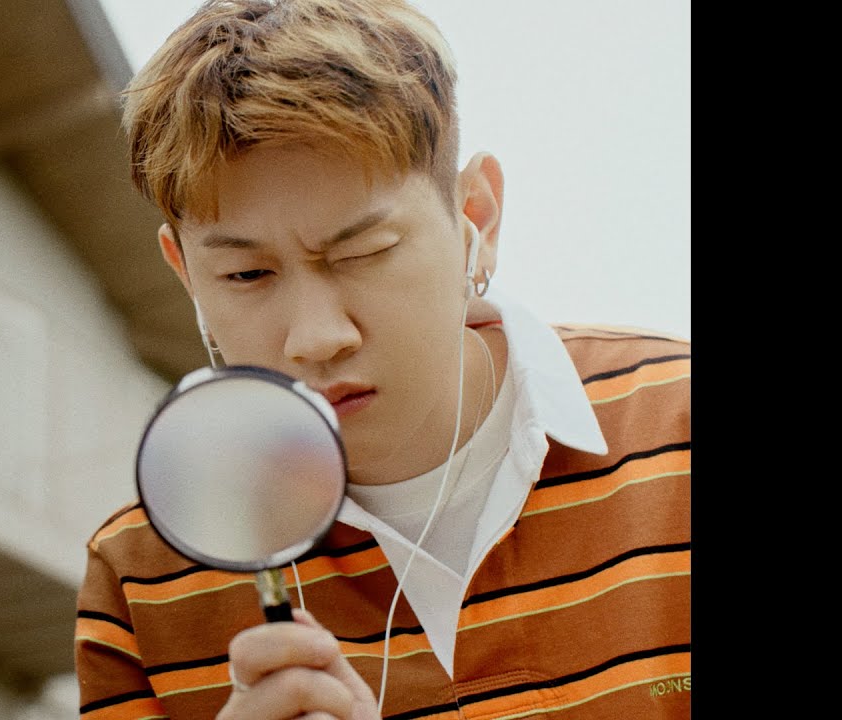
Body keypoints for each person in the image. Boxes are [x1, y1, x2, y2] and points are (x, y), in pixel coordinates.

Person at [74, 0, 691, 717]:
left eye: (364, 252)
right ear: (185, 273)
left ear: (477, 217)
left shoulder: (678, 428)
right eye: (247, 275)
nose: (316, 338)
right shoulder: (138, 579)